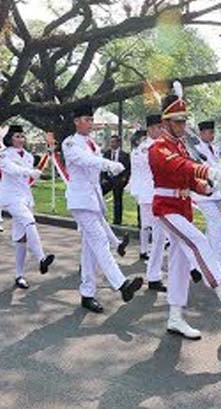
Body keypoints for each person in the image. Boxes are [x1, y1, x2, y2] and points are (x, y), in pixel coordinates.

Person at [148, 82, 221, 340]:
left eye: (184, 122)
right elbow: (182, 167)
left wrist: (206, 187)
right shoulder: (159, 147)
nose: (183, 126)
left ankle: (175, 317)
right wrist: (210, 171)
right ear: (166, 123)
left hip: (182, 206)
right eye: (178, 122)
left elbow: (187, 177)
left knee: (179, 263)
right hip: (166, 207)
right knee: (198, 242)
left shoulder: (179, 145)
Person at [62, 103, 143, 313]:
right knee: (99, 241)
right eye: (86, 120)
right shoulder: (70, 143)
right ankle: (121, 284)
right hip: (80, 200)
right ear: (76, 121)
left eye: (91, 119)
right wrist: (108, 164)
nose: (90, 123)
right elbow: (84, 161)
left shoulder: (92, 144)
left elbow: (93, 162)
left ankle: (87, 294)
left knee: (89, 251)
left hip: (93, 199)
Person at [0, 124, 55, 289]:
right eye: (17, 136)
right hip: (11, 197)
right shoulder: (3, 155)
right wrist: (29, 172)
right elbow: (11, 169)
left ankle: (19, 275)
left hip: (25, 198)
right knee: (30, 221)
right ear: (9, 139)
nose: (21, 139)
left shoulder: (29, 156)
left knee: (21, 238)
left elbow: (37, 167)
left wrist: (49, 149)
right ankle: (41, 258)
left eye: (22, 136)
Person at [192, 120, 221, 274]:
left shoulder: (214, 147)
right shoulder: (195, 149)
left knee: (212, 228)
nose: (212, 135)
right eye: (209, 132)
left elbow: (216, 165)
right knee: (216, 223)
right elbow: (203, 168)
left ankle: (204, 261)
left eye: (213, 132)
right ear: (202, 133)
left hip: (215, 192)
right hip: (203, 192)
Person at [128, 115, 167, 292]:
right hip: (150, 195)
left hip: (160, 195)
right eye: (159, 127)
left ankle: (155, 275)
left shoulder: (159, 146)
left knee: (161, 236)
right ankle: (154, 275)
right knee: (156, 234)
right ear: (150, 129)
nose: (162, 130)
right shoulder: (145, 148)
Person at [101, 134, 131, 225]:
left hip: (119, 180)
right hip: (108, 179)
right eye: (111, 142)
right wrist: (103, 178)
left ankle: (117, 221)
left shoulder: (124, 155)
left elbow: (127, 169)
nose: (112, 144)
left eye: (114, 142)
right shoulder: (107, 154)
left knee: (117, 199)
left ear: (119, 143)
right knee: (98, 193)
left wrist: (124, 179)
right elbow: (102, 166)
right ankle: (101, 216)